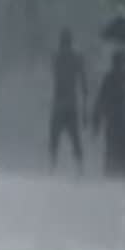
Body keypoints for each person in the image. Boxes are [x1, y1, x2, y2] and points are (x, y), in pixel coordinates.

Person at [50, 29, 87, 172]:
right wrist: (84, 107)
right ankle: (79, 167)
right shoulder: (77, 58)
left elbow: (55, 74)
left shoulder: (56, 57)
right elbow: (83, 82)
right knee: (75, 136)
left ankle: (52, 165)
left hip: (59, 102)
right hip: (71, 102)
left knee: (55, 136)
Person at [92, 51, 125, 175]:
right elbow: (102, 97)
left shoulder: (122, 77)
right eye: (119, 63)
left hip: (119, 116)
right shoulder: (115, 78)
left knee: (118, 144)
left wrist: (97, 117)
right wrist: (98, 116)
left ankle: (116, 169)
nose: (120, 65)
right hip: (116, 116)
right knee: (115, 143)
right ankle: (113, 169)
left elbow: (101, 98)